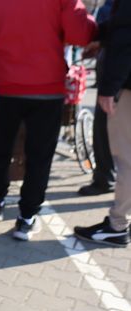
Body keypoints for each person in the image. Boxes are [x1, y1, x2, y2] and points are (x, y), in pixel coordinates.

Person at [0, 0, 96, 240]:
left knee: (1, 146)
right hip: (46, 84)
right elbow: (79, 34)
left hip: (7, 82)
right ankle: (27, 216)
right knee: (39, 155)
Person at [74, 0, 131, 247]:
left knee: (126, 158)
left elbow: (126, 37)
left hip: (126, 87)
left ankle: (118, 225)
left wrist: (109, 88)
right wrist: (101, 37)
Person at [77, 0, 116, 196]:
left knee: (105, 126)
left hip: (118, 71)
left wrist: (100, 38)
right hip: (116, 66)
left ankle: (105, 178)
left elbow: (122, 24)